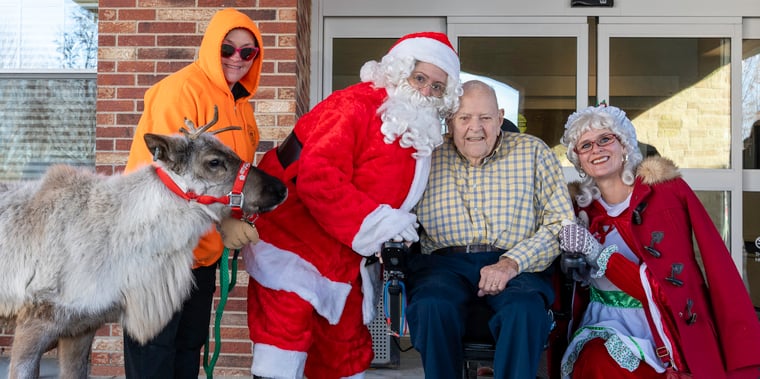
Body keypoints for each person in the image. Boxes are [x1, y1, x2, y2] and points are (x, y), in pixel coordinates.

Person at [240, 32, 462, 379]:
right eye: (420, 78)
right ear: (400, 71)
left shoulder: (416, 129)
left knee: (343, 349)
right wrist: (381, 225)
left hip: (342, 256)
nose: (426, 92)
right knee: (284, 344)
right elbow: (318, 177)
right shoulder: (355, 106)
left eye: (437, 87)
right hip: (294, 243)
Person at [557, 104, 760, 378]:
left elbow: (667, 286)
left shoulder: (663, 197)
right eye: (585, 146)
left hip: (661, 328)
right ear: (578, 160)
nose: (597, 150)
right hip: (601, 322)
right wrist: (571, 261)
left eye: (605, 139)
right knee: (596, 361)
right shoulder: (580, 210)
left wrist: (594, 251)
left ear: (625, 144)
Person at [122, 8, 264, 378]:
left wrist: (233, 217)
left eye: (248, 53)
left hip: (200, 255)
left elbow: (231, 180)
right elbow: (174, 177)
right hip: (157, 253)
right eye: (228, 49)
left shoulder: (242, 109)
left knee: (187, 350)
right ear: (211, 47)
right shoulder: (180, 91)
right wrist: (223, 222)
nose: (237, 59)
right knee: (154, 354)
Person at [405, 80, 576, 379]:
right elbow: (400, 213)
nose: (476, 127)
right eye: (464, 118)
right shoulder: (426, 157)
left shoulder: (533, 152)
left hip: (518, 265)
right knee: (432, 305)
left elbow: (561, 223)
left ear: (500, 117)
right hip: (443, 266)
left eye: (485, 118)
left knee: (523, 311)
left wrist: (511, 263)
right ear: (449, 121)